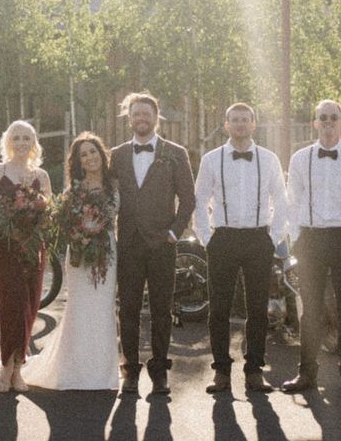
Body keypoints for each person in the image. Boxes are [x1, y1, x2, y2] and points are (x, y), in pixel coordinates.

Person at [193, 103, 289, 396]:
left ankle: (254, 370)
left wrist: (273, 238)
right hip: (222, 239)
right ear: (226, 125)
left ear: (253, 124)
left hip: (258, 239)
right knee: (219, 309)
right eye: (234, 120)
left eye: (245, 120)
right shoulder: (211, 159)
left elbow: (282, 201)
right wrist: (207, 238)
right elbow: (199, 201)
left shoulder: (269, 159)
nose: (239, 125)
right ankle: (221, 371)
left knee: (257, 309)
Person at [283, 99, 341, 395]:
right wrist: (296, 237)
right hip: (310, 240)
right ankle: (306, 373)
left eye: (333, 117)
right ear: (315, 123)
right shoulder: (299, 158)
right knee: (310, 310)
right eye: (323, 117)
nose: (328, 122)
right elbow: (291, 201)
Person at [110, 92, 196, 398]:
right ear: (129, 118)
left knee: (162, 309)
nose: (141, 118)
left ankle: (160, 373)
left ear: (156, 116)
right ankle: (129, 372)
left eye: (146, 113)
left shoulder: (175, 153)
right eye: (135, 114)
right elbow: (106, 195)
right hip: (129, 245)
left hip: (162, 245)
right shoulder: (117, 155)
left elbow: (188, 200)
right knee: (128, 309)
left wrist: (174, 233)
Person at [25, 132, 121, 392]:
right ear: (78, 161)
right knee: (79, 308)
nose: (90, 158)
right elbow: (63, 224)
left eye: (93, 152)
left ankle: (102, 374)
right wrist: (80, 233)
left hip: (106, 253)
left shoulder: (115, 183)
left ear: (102, 154)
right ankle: (75, 370)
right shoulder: (74, 189)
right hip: (79, 254)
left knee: (102, 308)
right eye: (84, 154)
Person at [0, 119, 52, 394]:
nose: (22, 143)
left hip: (33, 248)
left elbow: (48, 214)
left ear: (34, 143)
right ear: (8, 142)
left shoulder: (42, 175)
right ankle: (5, 367)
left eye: (27, 138)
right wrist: (6, 216)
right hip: (5, 247)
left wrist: (36, 212)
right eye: (17, 138)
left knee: (30, 306)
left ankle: (19, 366)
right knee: (13, 303)